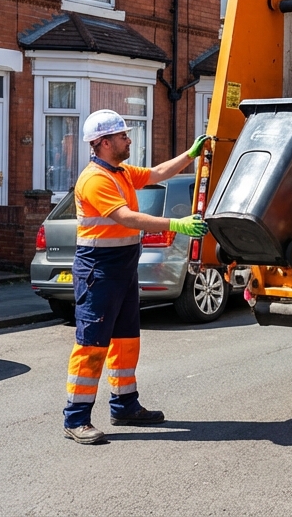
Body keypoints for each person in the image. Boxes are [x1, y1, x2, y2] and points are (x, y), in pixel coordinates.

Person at [62, 110, 210, 444]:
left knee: (127, 341)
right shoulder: (95, 179)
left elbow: (158, 172)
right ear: (103, 143)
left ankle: (125, 405)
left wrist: (190, 154)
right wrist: (177, 224)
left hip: (123, 269)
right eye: (122, 136)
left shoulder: (122, 172)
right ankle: (76, 419)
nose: (129, 139)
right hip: (98, 271)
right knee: (91, 345)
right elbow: (127, 218)